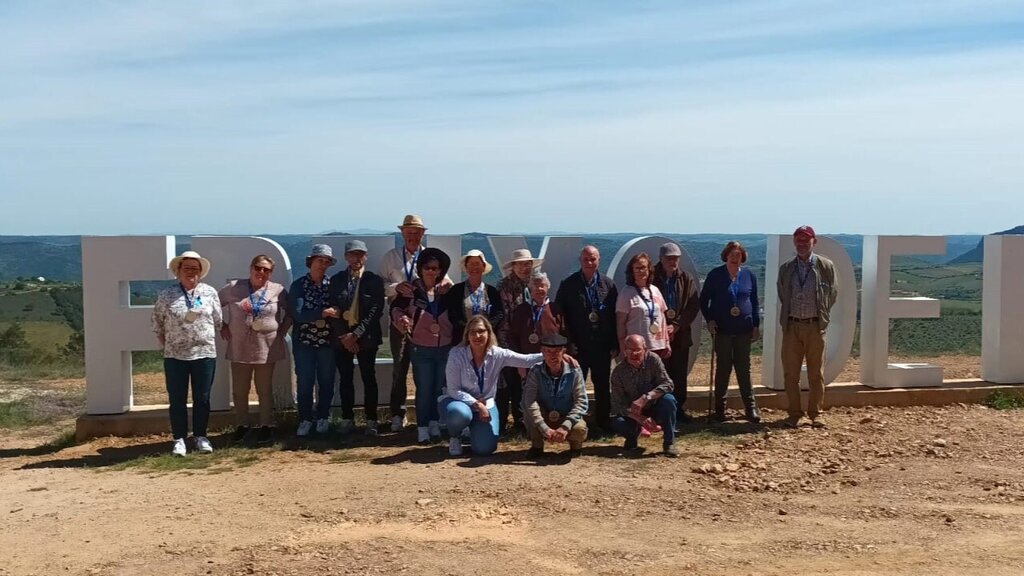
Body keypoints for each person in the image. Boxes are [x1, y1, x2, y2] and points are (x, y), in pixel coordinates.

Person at [379, 214, 452, 432]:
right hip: (401, 321)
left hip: (428, 326)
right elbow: (380, 285)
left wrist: (445, 286)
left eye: (417, 232)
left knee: (430, 374)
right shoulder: (390, 257)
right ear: (402, 233)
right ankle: (398, 413)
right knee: (399, 369)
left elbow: (446, 281)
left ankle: (431, 416)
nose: (412, 236)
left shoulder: (431, 258)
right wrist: (396, 287)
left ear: (422, 234)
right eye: (409, 232)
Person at [151, 250, 223, 456]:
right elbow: (157, 323)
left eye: (195, 268)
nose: (191, 272)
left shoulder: (210, 293)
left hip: (205, 353)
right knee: (177, 398)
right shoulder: (167, 295)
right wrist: (170, 344)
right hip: (175, 356)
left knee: (203, 397)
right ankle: (179, 439)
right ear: (178, 271)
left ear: (201, 272)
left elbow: (218, 320)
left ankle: (201, 436)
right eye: (187, 268)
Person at [442, 315, 545, 457]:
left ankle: (473, 431)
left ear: (489, 333)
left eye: (481, 331)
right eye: (473, 332)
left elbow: (526, 360)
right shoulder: (456, 354)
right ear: (467, 335)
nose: (477, 336)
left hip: (486, 405)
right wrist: (477, 404)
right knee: (460, 414)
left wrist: (554, 354)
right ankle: (456, 436)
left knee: (484, 449)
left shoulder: (497, 354)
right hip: (459, 402)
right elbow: (453, 390)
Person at [218, 254, 292, 445]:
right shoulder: (234, 288)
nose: (261, 272)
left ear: (271, 273)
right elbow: (213, 305)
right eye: (258, 268)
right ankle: (242, 425)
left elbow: (291, 311)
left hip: (266, 348)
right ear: (251, 268)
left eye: (266, 270)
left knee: (264, 390)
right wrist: (222, 325)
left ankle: (266, 426)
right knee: (240, 390)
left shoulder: (278, 290)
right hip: (239, 347)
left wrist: (282, 330)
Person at [390, 247, 454, 444]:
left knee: (438, 387)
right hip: (420, 348)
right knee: (424, 388)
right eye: (428, 267)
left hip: (444, 346)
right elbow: (395, 308)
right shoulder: (410, 290)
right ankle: (422, 427)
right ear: (420, 268)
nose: (432, 271)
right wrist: (401, 320)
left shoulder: (446, 291)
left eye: (436, 268)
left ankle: (435, 422)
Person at [778, 225, 838, 428]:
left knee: (816, 373)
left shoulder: (825, 266)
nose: (802, 244)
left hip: (815, 326)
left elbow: (833, 294)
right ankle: (794, 413)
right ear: (794, 242)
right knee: (790, 374)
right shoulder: (786, 268)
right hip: (792, 326)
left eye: (806, 240)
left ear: (814, 242)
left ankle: (815, 413)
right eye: (798, 240)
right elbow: (782, 293)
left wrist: (822, 315)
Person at [555, 245, 618, 431]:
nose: (589, 262)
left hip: (602, 345)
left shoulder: (609, 285)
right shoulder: (568, 284)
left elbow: (615, 317)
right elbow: (561, 316)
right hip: (578, 347)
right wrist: (567, 344)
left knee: (602, 385)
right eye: (586, 259)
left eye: (593, 259)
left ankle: (603, 422)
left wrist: (614, 343)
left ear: (599, 260)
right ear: (580, 261)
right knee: (576, 387)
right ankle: (575, 424)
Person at [699, 241, 761, 423]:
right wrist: (709, 319)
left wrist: (756, 325)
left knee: (744, 369)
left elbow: (755, 302)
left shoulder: (749, 275)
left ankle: (750, 408)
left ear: (743, 257)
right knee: (723, 369)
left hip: (744, 330)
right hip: (722, 330)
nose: (735, 258)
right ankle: (720, 408)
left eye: (738, 255)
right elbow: (704, 301)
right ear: (726, 256)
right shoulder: (715, 275)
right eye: (732, 254)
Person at [327, 240, 385, 436]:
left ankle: (371, 420)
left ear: (366, 256)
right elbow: (333, 309)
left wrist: (356, 335)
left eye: (360, 254)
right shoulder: (335, 280)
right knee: (345, 378)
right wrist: (345, 336)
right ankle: (347, 418)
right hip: (342, 338)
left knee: (369, 378)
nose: (356, 258)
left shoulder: (374, 280)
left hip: (366, 337)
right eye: (352, 254)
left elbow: (376, 310)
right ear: (346, 257)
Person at [289, 244, 337, 437]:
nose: (323, 265)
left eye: (326, 262)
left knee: (326, 381)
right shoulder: (299, 285)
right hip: (304, 343)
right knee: (305, 382)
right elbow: (298, 314)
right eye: (320, 261)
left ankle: (323, 417)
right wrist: (323, 312)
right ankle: (305, 419)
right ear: (311, 262)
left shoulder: (331, 285)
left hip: (327, 342)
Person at [505, 271, 562, 432]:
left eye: (542, 285)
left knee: (549, 394)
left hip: (551, 362)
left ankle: (551, 422)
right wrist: (519, 364)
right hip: (527, 363)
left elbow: (565, 336)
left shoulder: (556, 309)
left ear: (548, 288)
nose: (539, 289)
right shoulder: (522, 310)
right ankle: (525, 425)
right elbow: (512, 338)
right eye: (535, 285)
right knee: (527, 395)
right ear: (530, 288)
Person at [652, 242, 700, 424]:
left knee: (679, 376)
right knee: (659, 375)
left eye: (676, 258)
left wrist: (677, 325)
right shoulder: (651, 277)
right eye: (669, 258)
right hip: (657, 336)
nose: (673, 261)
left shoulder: (686, 278)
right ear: (661, 259)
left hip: (680, 336)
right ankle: (658, 412)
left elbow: (694, 305)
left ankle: (679, 411)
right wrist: (664, 326)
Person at [495, 248, 542, 435]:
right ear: (513, 266)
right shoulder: (504, 286)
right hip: (507, 341)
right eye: (521, 264)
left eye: (528, 264)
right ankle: (503, 421)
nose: (525, 267)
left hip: (528, 342)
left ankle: (521, 420)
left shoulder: (533, 284)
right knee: (508, 382)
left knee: (527, 383)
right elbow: (504, 317)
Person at [609, 335, 679, 457]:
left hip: (654, 405)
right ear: (624, 351)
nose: (633, 353)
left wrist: (646, 397)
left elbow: (668, 384)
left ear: (645, 349)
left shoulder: (653, 359)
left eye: (637, 349)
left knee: (669, 400)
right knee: (617, 421)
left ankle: (669, 442)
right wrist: (640, 418)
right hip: (633, 412)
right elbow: (617, 405)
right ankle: (632, 438)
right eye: (629, 350)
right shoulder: (618, 372)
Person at [521, 334, 588, 459]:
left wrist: (565, 426)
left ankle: (575, 446)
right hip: (545, 414)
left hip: (566, 415)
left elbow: (581, 401)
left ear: (563, 352)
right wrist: (545, 428)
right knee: (528, 411)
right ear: (542, 352)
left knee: (579, 429)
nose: (552, 355)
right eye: (548, 351)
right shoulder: (535, 371)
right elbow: (529, 400)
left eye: (557, 351)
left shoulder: (575, 372)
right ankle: (537, 446)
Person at [616, 252, 670, 357]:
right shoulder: (626, 293)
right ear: (632, 271)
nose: (641, 271)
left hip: (658, 346)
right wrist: (622, 346)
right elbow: (620, 323)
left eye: (644, 267)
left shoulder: (655, 290)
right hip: (636, 349)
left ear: (649, 269)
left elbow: (662, 318)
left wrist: (666, 342)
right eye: (637, 268)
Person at [446, 249, 504, 343]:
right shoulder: (456, 290)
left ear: (483, 267)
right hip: (462, 340)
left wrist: (484, 330)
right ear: (466, 267)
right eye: (471, 264)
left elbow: (499, 314)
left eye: (477, 263)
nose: (474, 267)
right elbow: (452, 315)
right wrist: (470, 331)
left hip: (486, 340)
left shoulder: (492, 292)